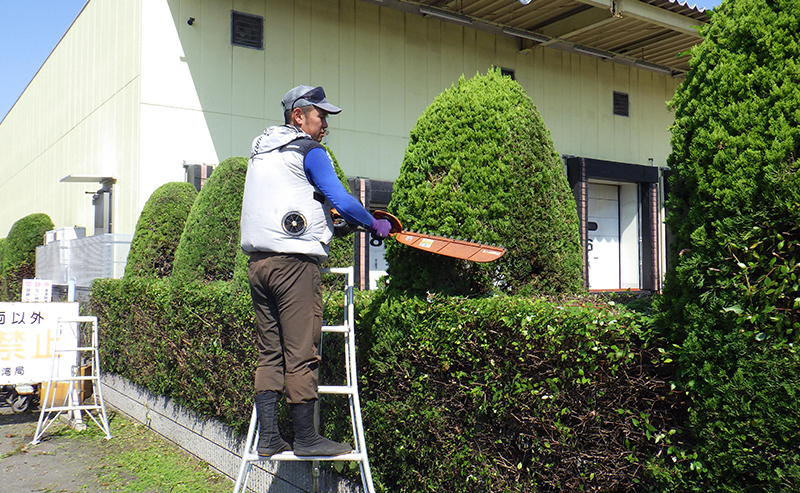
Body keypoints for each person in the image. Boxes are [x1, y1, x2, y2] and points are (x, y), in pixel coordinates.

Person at [240, 85, 391, 457]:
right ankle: (307, 439)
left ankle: (270, 439)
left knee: (269, 352)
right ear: (298, 116)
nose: (325, 124)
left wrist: (332, 225)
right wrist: (372, 223)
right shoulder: (309, 150)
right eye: (320, 115)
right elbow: (341, 199)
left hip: (259, 265)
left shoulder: (262, 153)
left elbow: (294, 204)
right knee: (302, 350)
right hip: (294, 268)